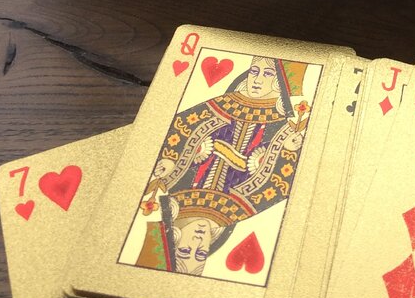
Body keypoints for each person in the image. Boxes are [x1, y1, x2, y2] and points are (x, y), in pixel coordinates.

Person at [130, 54, 309, 275]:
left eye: (185, 250)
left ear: (174, 237)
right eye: (200, 254)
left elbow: (178, 126)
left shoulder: (173, 188)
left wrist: (168, 158)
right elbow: (284, 182)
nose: (197, 242)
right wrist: (289, 146)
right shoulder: (241, 209)